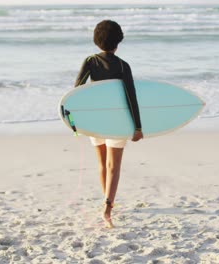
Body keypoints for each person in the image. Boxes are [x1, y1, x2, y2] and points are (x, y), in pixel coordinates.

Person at [74, 20, 143, 228]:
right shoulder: (123, 65)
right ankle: (107, 206)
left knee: (102, 164)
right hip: (119, 122)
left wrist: (76, 121)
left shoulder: (89, 61)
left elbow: (77, 92)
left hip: (96, 121)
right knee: (114, 167)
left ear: (97, 41)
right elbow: (132, 98)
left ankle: (107, 202)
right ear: (118, 42)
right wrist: (138, 127)